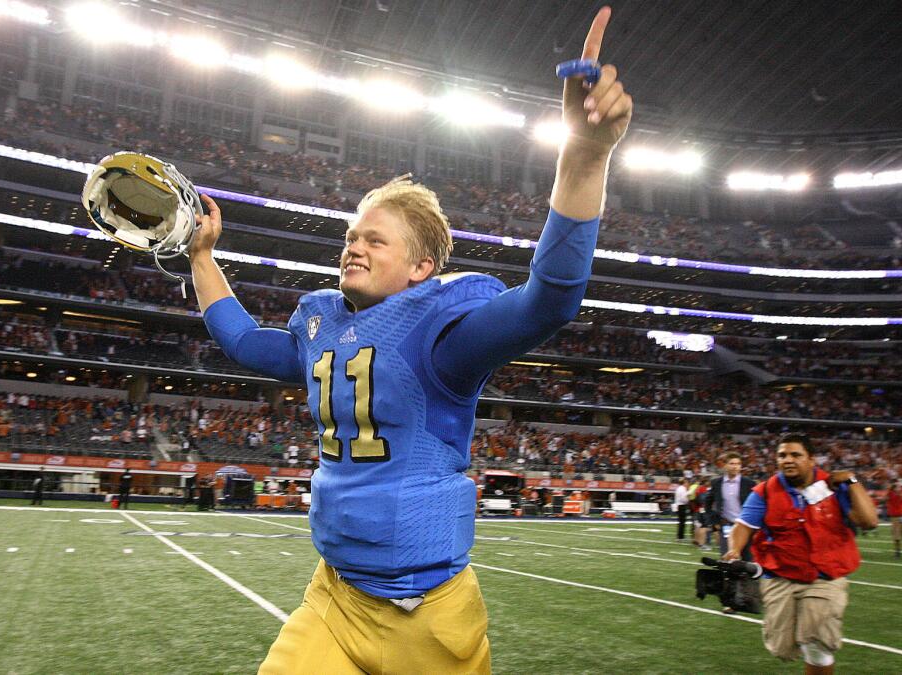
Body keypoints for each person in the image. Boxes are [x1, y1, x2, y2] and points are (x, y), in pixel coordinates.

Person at [189, 9, 631, 672]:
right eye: (350, 237)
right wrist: (201, 258)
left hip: (425, 616)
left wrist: (586, 155)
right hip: (333, 599)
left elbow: (551, 299)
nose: (354, 247)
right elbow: (245, 342)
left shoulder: (441, 334)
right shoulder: (323, 325)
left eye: (375, 239)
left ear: (423, 267)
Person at [724, 433, 878, 674]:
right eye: (782, 455)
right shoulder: (765, 491)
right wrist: (734, 549)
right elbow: (743, 525)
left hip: (824, 576)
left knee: (816, 644)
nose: (788, 460)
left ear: (811, 459)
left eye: (796, 455)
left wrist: (852, 481)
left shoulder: (834, 487)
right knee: (782, 647)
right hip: (780, 577)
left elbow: (869, 522)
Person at [707, 452, 755, 561]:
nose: (735, 466)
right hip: (726, 525)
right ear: (725, 465)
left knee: (748, 558)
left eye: (738, 464)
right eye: (732, 463)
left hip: (745, 526)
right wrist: (714, 522)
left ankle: (748, 578)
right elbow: (707, 502)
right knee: (727, 558)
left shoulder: (749, 483)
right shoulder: (716, 483)